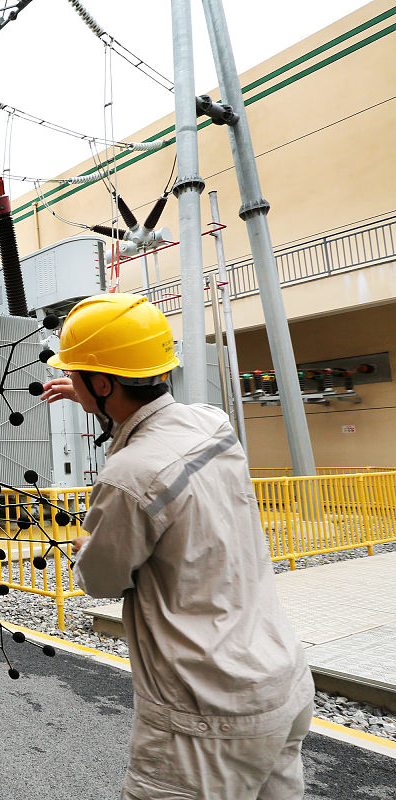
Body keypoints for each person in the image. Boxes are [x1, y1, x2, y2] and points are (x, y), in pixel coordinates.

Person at [43, 293, 313, 800]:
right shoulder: (211, 424)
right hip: (282, 683)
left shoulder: (129, 476)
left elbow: (101, 580)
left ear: (103, 383)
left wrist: (86, 543)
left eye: (76, 374)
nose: (71, 382)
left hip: (206, 718)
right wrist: (93, 398)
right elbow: (155, 436)